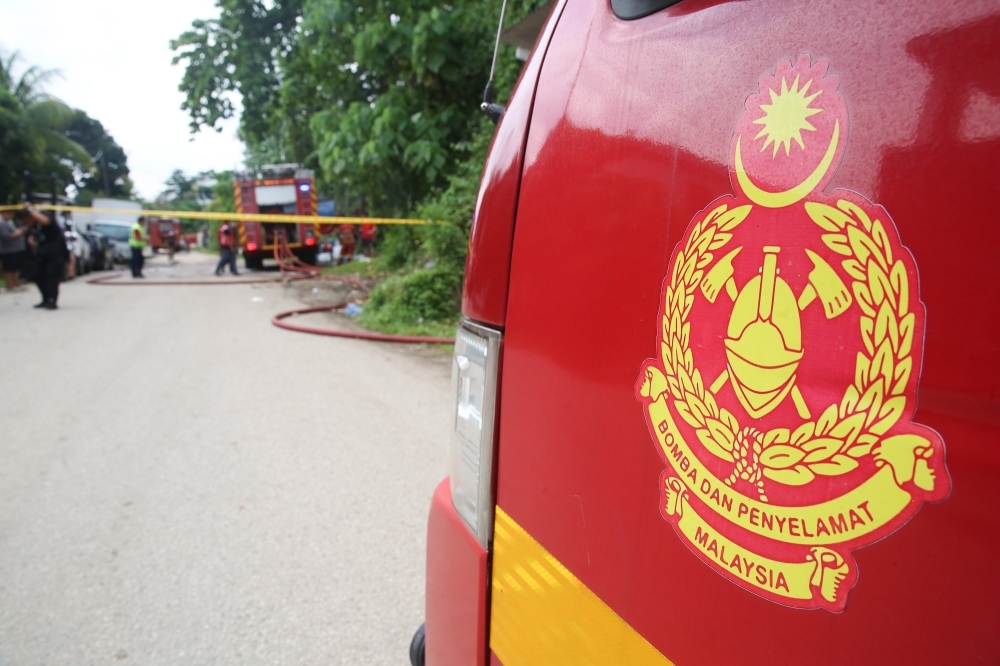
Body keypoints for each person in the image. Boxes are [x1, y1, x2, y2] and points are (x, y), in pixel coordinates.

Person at [23, 206, 67, 309]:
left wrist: (30, 209)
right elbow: (36, 239)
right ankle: (45, 298)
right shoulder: (34, 227)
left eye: (26, 219)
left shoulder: (46, 217)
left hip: (56, 254)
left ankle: (52, 300)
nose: (26, 222)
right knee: (38, 275)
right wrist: (33, 242)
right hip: (43, 254)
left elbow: (46, 221)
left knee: (51, 276)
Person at [0, 209, 29, 290]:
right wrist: (20, 232)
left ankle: (15, 284)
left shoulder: (10, 222)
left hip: (16, 249)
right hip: (8, 250)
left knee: (16, 268)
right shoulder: (1, 223)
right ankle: (10, 285)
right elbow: (6, 236)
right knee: (9, 269)